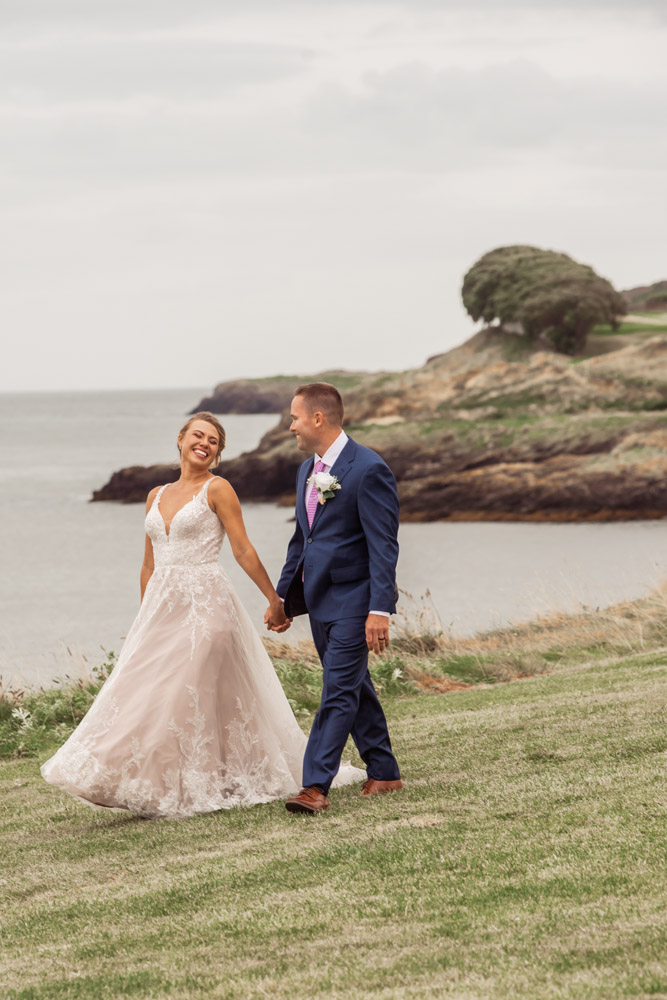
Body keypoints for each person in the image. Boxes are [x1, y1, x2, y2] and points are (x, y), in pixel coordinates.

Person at [42, 412, 363, 819]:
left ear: (217, 453)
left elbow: (242, 549)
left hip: (208, 608)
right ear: (180, 439)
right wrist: (145, 620)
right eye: (198, 435)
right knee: (154, 694)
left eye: (213, 441)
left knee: (181, 693)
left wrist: (275, 599)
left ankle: (184, 786)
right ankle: (132, 777)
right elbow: (148, 564)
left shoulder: (219, 488)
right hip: (163, 610)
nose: (205, 443)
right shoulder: (154, 495)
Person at [267, 383, 403, 814]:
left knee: (337, 691)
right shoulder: (308, 469)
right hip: (320, 601)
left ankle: (314, 787)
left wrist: (379, 608)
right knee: (354, 687)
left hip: (355, 602)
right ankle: (384, 772)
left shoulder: (368, 468)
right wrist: (283, 600)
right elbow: (301, 540)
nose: (291, 426)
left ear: (318, 419)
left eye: (295, 417)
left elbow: (384, 545)